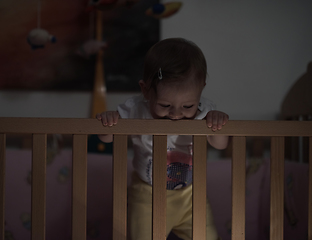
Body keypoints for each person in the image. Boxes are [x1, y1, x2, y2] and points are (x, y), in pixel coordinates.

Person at [96, 38, 229, 240]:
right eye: (165, 106)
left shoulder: (205, 113)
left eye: (187, 107)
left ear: (201, 89)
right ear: (145, 90)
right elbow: (106, 138)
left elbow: (221, 145)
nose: (176, 114)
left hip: (191, 196)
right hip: (146, 195)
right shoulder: (135, 110)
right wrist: (109, 122)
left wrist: (218, 125)